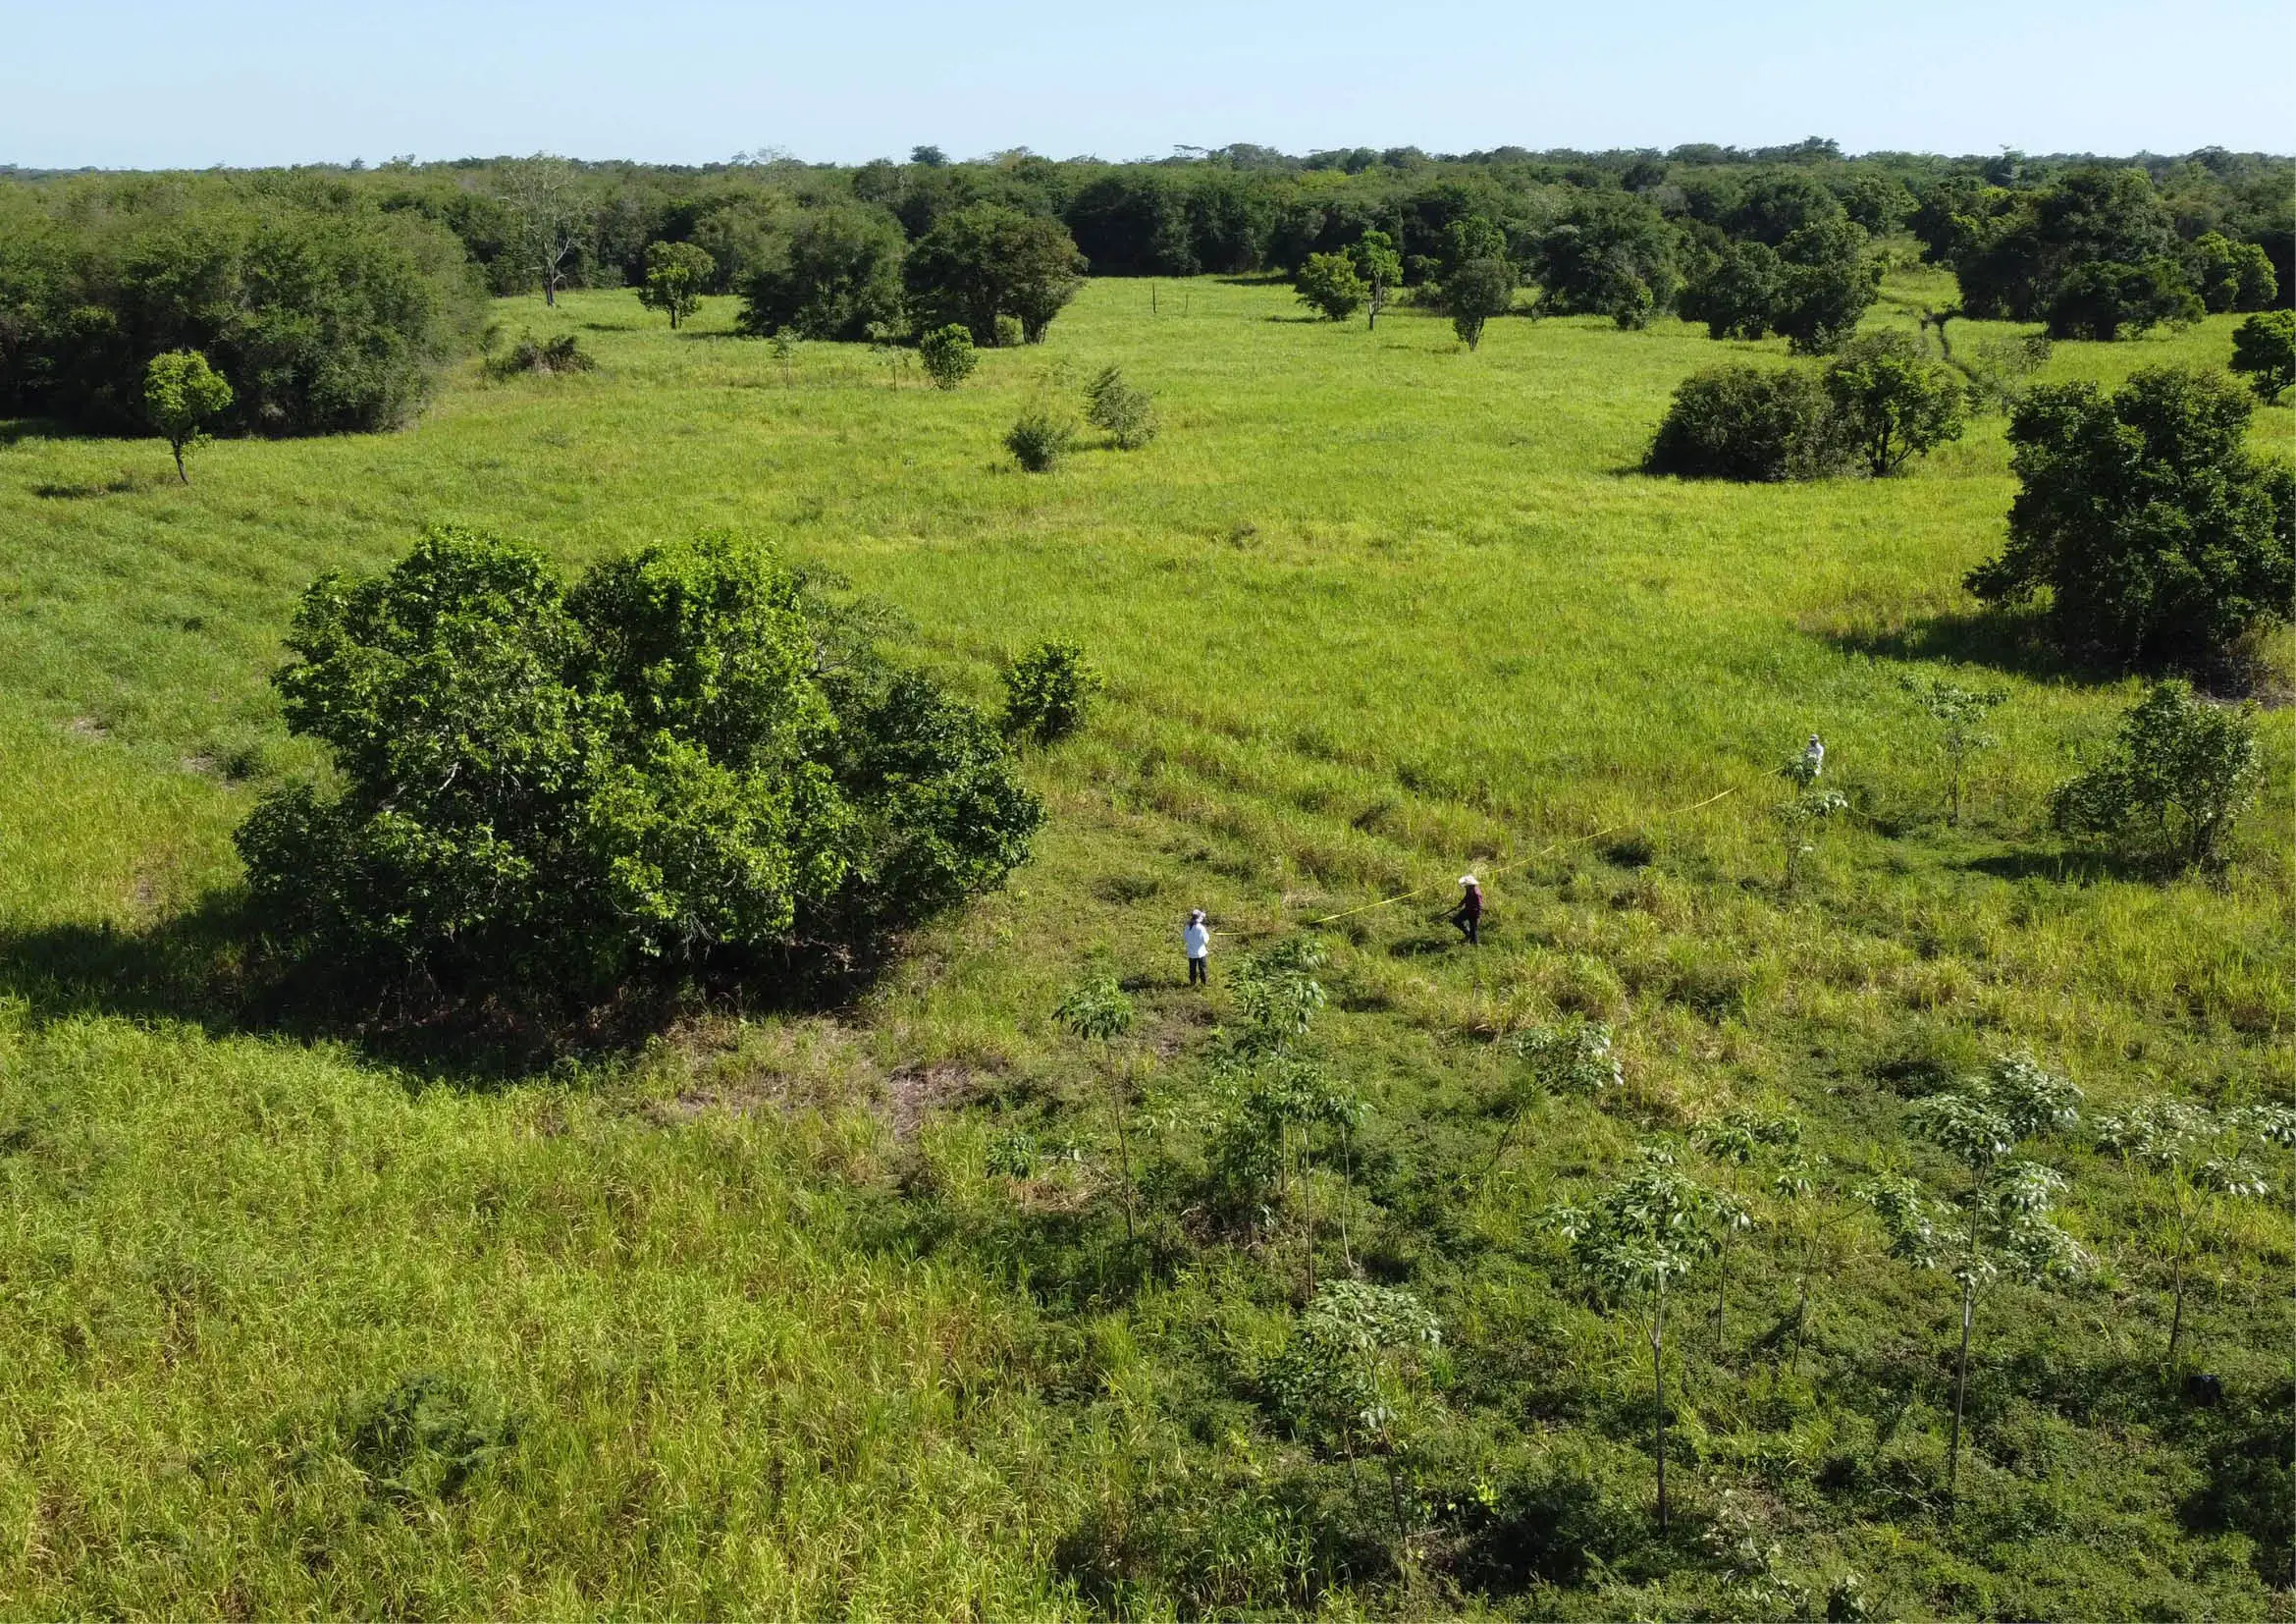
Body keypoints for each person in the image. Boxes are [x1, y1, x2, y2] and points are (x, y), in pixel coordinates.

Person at [1451, 875, 1483, 946]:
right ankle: (1468, 933)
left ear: (1470, 885)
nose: (1465, 886)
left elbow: (1480, 905)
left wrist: (1478, 915)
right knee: (1455, 920)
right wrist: (1460, 904)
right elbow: (1466, 897)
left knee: (1473, 928)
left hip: (1474, 912)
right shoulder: (1469, 889)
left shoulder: (1477, 893)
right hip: (1467, 909)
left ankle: (1475, 944)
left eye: (1466, 885)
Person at [1183, 909, 1211, 986]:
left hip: (1191, 953)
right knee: (1203, 968)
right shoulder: (1201, 928)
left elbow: (1185, 938)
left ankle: (1192, 983)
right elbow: (1206, 940)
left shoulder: (1187, 927)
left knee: (1192, 969)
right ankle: (1204, 984)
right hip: (1201, 953)